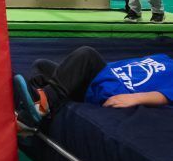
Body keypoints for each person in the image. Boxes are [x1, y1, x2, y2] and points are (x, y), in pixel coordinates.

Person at [13, 44, 173, 133]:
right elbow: (124, 66)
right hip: (99, 79)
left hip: (110, 90)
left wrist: (135, 98)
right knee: (42, 66)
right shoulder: (162, 58)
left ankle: (40, 107)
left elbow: (166, 95)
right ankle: (32, 104)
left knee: (87, 54)